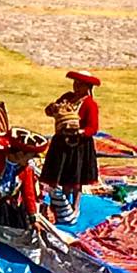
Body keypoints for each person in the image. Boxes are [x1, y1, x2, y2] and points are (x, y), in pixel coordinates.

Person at [41, 71, 100, 223]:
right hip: (61, 142)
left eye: (80, 84)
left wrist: (79, 131)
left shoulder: (90, 105)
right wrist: (53, 108)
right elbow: (50, 111)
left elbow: (93, 128)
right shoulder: (67, 98)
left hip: (78, 146)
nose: (76, 87)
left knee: (75, 178)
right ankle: (61, 205)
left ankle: (75, 207)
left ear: (87, 87)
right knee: (61, 176)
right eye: (75, 83)